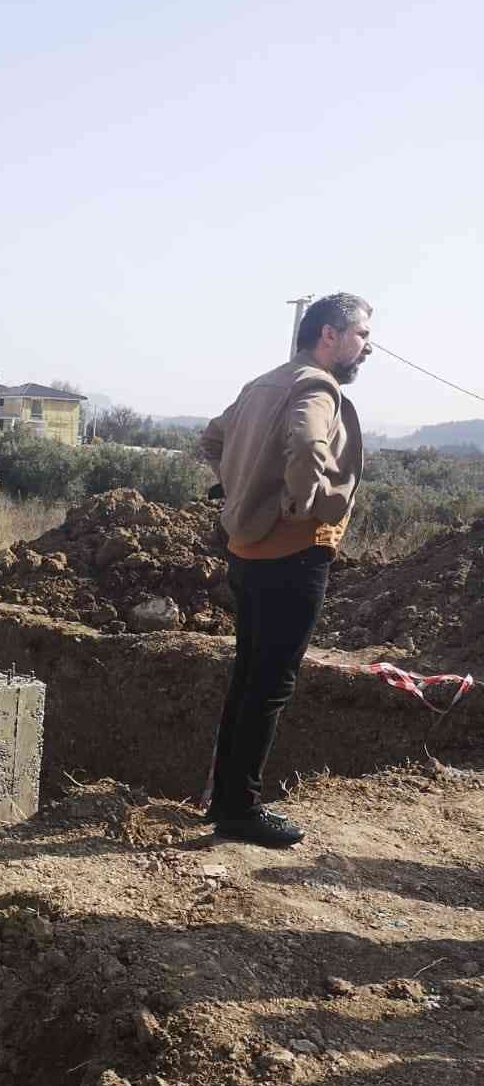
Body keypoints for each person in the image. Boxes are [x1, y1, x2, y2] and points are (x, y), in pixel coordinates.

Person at [199, 292, 372, 847]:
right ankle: (240, 809)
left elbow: (212, 437)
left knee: (249, 676)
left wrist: (240, 491)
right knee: (270, 685)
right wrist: (302, 506)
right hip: (291, 556)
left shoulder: (264, 382)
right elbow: (306, 445)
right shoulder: (316, 385)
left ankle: (225, 801)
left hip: (246, 553)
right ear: (328, 335)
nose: (367, 347)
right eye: (361, 335)